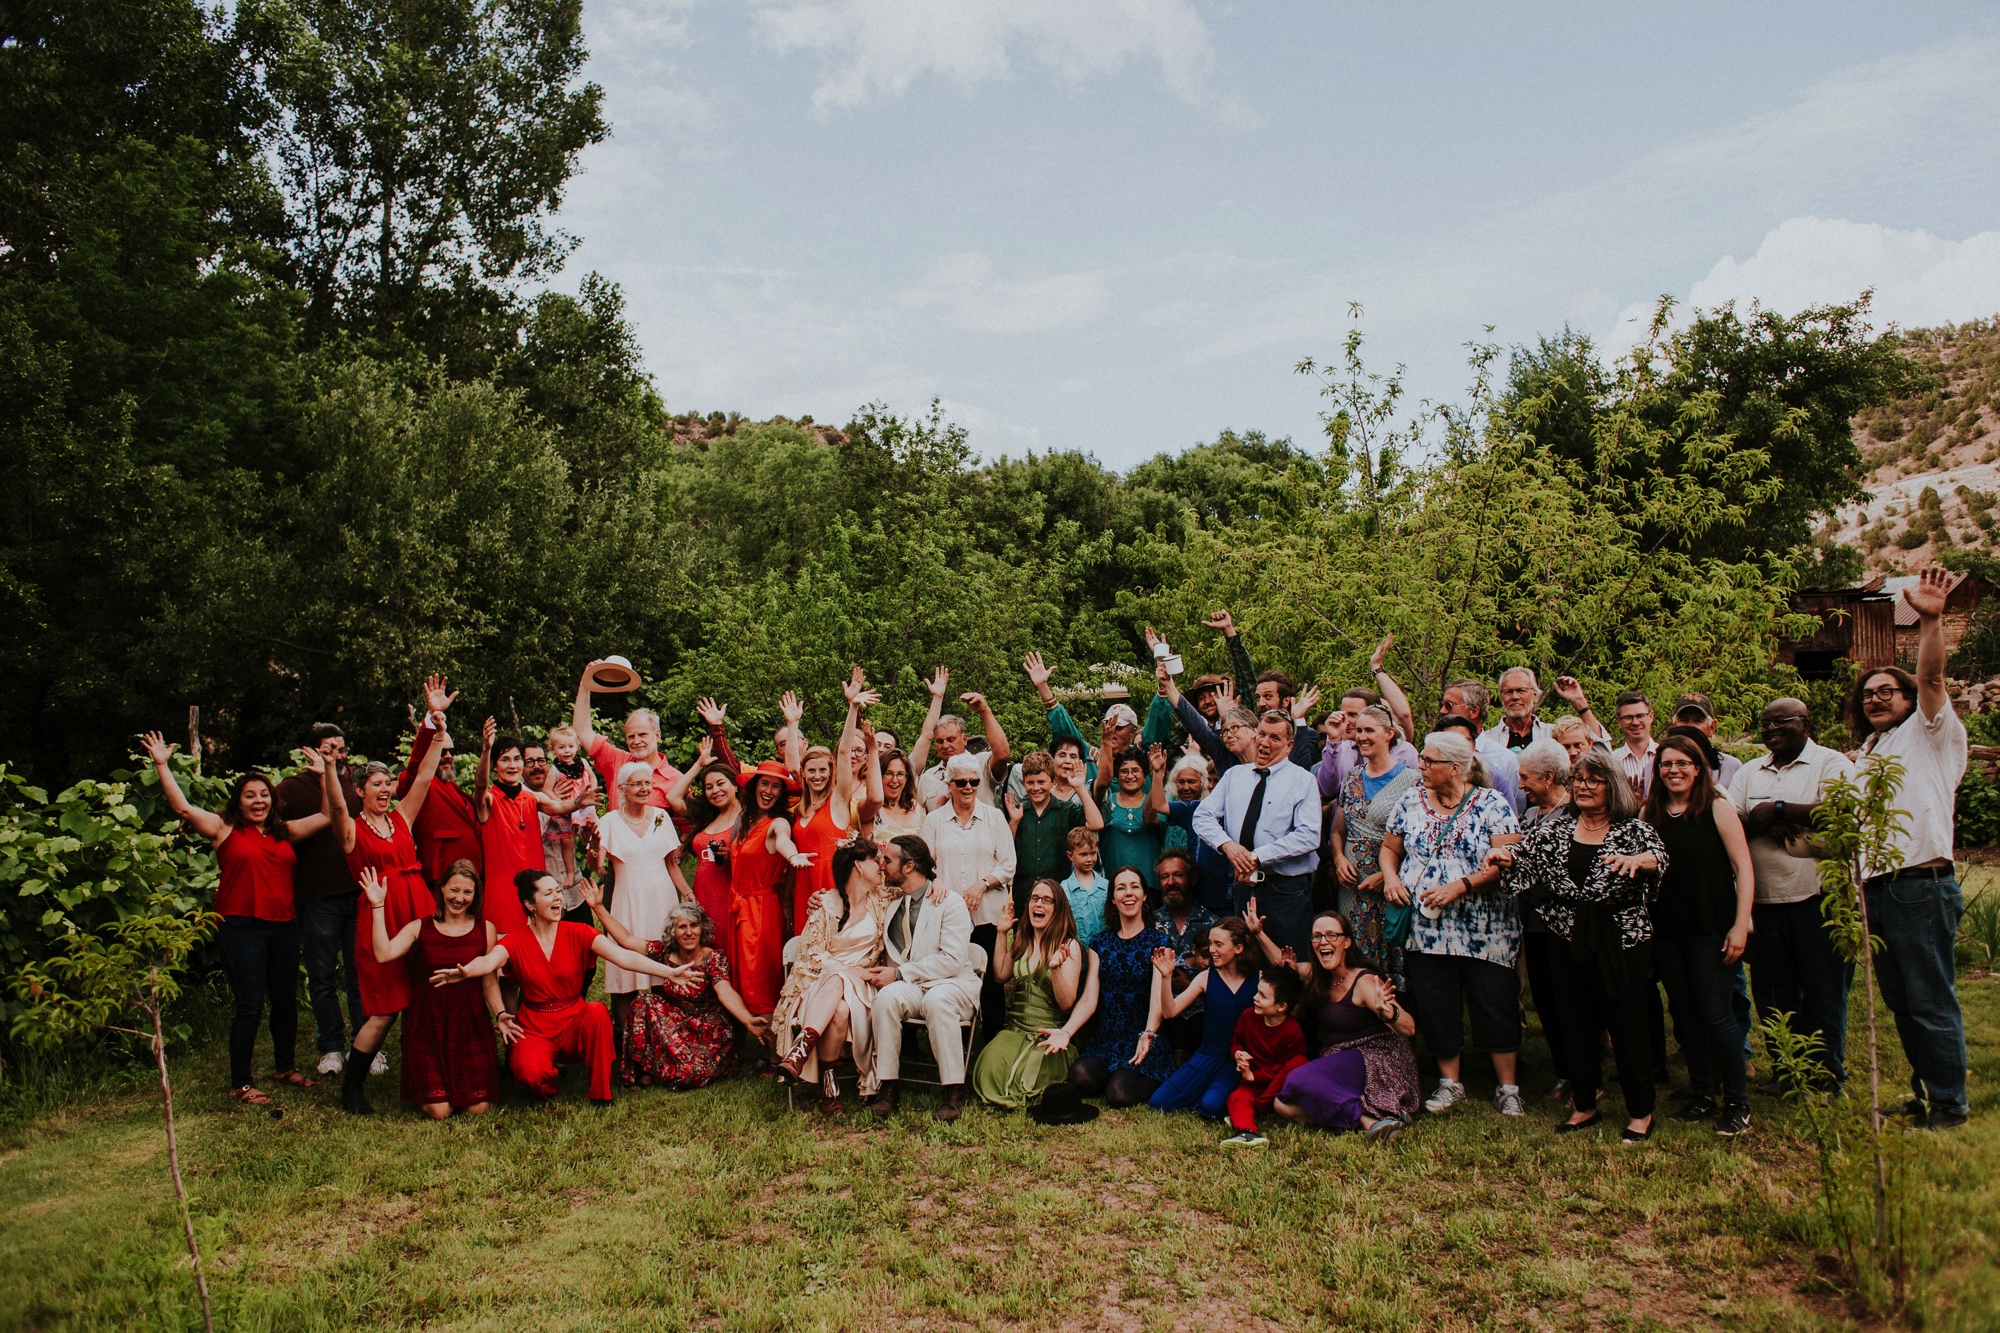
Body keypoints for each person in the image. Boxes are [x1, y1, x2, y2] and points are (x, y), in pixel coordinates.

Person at [142, 733, 330, 1104]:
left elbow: (327, 815)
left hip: (284, 924)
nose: (258, 801)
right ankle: (240, 1082)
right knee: (249, 1004)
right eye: (250, 795)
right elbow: (182, 808)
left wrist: (325, 776)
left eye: (264, 795)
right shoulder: (222, 829)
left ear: (273, 800)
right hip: (240, 925)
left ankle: (284, 1067)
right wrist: (163, 765)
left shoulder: (285, 832)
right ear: (239, 802)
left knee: (285, 1001)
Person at [1494, 749, 1668, 1143]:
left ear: (1613, 786)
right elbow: (1522, 857)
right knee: (1573, 1017)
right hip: (1566, 935)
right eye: (1579, 780)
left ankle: (1640, 1111)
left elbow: (1658, 857)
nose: (1584, 787)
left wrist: (1640, 861)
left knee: (1626, 1021)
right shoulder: (1556, 830)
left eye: (1594, 780)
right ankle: (1585, 1104)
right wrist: (1502, 856)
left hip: (1619, 937)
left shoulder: (1633, 829)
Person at [1850, 565, 1972, 1129]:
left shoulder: (1930, 730)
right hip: (1878, 890)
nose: (1876, 698)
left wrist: (1929, 621)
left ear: (1907, 694)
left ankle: (1949, 1104)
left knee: (1929, 1000)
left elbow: (1933, 679)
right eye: (1868, 694)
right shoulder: (1873, 749)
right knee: (1901, 1003)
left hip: (1920, 886)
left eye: (1885, 690)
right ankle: (1925, 1093)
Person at [438, 870, 693, 1104]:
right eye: (548, 893)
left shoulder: (579, 932)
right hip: (535, 1025)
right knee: (529, 1073)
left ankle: (600, 1093)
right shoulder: (515, 941)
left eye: (558, 891)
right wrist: (466, 971)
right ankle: (547, 1084)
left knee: (596, 1012)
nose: (557, 898)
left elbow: (624, 957)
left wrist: (669, 972)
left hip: (574, 1020)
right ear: (530, 904)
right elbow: (489, 961)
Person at [1379, 730, 1524, 1117]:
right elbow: (1390, 848)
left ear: (1456, 768)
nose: (1421, 766)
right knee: (1437, 1002)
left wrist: (1461, 886)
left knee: (1494, 1002)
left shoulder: (1490, 803)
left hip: (1485, 928)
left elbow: (1507, 858)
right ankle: (1449, 1083)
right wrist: (1391, 878)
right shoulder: (1410, 800)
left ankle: (1507, 1088)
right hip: (1427, 930)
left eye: (1429, 761)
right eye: (1422, 759)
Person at [1728, 697, 1856, 1093]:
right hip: (1764, 902)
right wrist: (1764, 821)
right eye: (1765, 724)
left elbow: (1842, 812)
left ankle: (1825, 1074)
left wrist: (1779, 809)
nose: (1770, 730)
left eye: (1780, 722)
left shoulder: (1831, 764)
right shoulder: (1750, 772)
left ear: (1805, 722)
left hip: (1818, 897)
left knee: (1823, 991)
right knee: (1773, 993)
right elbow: (1730, 822)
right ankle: (1787, 1071)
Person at [322, 727, 446, 1115]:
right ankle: (352, 1087)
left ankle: (423, 1079)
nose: (385, 789)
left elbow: (424, 777)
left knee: (426, 998)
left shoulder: (402, 818)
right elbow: (337, 808)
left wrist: (438, 735)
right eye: (377, 783)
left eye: (388, 782)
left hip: (418, 908)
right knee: (385, 1009)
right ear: (360, 790)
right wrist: (329, 768)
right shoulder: (352, 832)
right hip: (381, 915)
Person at [1644, 734, 1756, 1136]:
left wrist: (1740, 924)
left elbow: (1743, 869)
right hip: (1668, 930)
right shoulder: (1650, 812)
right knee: (1685, 1014)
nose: (1673, 770)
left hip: (1712, 928)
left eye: (1682, 763)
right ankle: (1703, 1094)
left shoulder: (1717, 807)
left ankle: (1738, 1103)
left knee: (1716, 1012)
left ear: (1699, 768)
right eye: (1666, 764)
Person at [360, 859, 502, 1118]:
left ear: (475, 894)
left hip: (470, 1024)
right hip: (428, 1023)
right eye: (454, 890)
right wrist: (377, 905)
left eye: (467, 892)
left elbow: (489, 979)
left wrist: (501, 1015)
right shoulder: (420, 927)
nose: (459, 898)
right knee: (439, 1111)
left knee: (478, 1108)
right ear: (442, 890)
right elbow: (383, 954)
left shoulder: (485, 929)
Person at [1270, 910, 1423, 1139]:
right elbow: (1282, 964)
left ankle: (1367, 1120)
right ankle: (1383, 1117)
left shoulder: (1364, 982)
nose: (1323, 941)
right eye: (1317, 936)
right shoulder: (1319, 976)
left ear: (1347, 942)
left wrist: (1389, 1013)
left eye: (1332, 935)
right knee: (1283, 1106)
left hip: (1378, 1057)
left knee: (1295, 1081)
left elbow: (1409, 1028)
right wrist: (1256, 933)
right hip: (1342, 1058)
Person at [867, 836, 983, 1121]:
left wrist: (900, 973)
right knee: (886, 998)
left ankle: (954, 1091)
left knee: (937, 1000)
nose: (881, 865)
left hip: (953, 985)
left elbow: (953, 959)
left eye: (888, 860)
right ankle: (888, 1087)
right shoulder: (893, 903)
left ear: (908, 866)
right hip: (915, 986)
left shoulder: (950, 902)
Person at [273, 721, 365, 1077]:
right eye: (329, 748)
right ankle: (330, 1046)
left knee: (360, 973)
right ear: (308, 751)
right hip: (317, 897)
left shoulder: (352, 783)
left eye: (341, 749)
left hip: (356, 891)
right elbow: (270, 830)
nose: (338, 755)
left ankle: (364, 1043)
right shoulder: (291, 789)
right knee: (322, 975)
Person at [1191, 710, 1323, 956]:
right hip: (1243, 887)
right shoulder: (1234, 776)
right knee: (1245, 961)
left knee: (1289, 962)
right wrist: (1228, 846)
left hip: (1284, 889)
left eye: (1274, 738)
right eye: (1262, 734)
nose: (1264, 742)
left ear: (1289, 745)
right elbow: (1202, 816)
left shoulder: (1302, 780)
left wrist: (1257, 856)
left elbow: (1309, 835)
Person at [774, 838, 890, 1112]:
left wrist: (939, 884)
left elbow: (917, 884)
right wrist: (848, 971)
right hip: (820, 983)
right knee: (838, 1006)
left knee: (840, 987)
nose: (882, 867)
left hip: (862, 986)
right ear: (859, 866)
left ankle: (799, 1053)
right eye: (877, 861)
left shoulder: (883, 898)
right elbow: (810, 953)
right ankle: (827, 1084)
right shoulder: (826, 904)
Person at [610, 901, 768, 1089]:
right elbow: (627, 940)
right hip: (678, 1026)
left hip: (709, 1032)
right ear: (673, 932)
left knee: (689, 1075)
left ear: (702, 929)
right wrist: (597, 907)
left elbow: (724, 990)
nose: (689, 932)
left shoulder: (713, 958)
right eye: (682, 927)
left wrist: (748, 1020)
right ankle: (644, 1071)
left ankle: (663, 1069)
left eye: (694, 925)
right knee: (644, 1002)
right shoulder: (665, 952)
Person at [972, 879, 1093, 1108]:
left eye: (1048, 900)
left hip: (1048, 1034)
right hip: (1014, 1030)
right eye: (1035, 898)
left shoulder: (1068, 945)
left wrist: (1055, 969)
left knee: (1028, 1082)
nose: (1039, 904)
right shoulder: (1022, 939)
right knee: (988, 1071)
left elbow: (1067, 1002)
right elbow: (1000, 975)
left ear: (1058, 909)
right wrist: (1001, 933)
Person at [922, 750, 1018, 1038]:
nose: (968, 788)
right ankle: (956, 1037)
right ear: (949, 784)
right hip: (949, 915)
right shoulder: (935, 821)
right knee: (953, 974)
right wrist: (938, 884)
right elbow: (928, 866)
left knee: (990, 980)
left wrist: (982, 883)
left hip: (988, 913)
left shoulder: (994, 817)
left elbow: (1008, 864)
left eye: (974, 782)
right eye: (961, 782)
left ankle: (992, 1041)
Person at [593, 761, 693, 1029]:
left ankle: (666, 1035)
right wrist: (592, 848)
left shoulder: (661, 817)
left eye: (648, 783)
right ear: (623, 789)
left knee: (665, 974)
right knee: (626, 979)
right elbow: (599, 867)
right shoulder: (609, 821)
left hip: (662, 903)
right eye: (637, 784)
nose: (644, 788)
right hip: (627, 903)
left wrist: (688, 893)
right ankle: (628, 1042)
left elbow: (671, 863)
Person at [1067, 866, 1178, 1107]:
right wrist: (1066, 1032)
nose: (1128, 893)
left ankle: (1151, 1075)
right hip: (1109, 1038)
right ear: (1113, 899)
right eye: (1121, 888)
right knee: (1080, 1077)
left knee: (1119, 1094)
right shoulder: (1100, 943)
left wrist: (1148, 1033)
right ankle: (1113, 1073)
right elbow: (1089, 999)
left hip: (1145, 1036)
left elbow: (1158, 998)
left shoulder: (1159, 941)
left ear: (1145, 896)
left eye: (1135, 887)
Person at [1328, 704, 1420, 986]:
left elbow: (1416, 843)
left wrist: (1389, 875)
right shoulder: (1352, 778)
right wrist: (1339, 860)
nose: (1362, 737)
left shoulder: (1412, 782)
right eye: (1358, 731)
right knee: (1354, 949)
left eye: (1370, 730)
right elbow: (1337, 831)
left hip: (1390, 883)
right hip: (1351, 886)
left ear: (1389, 733)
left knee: (1390, 944)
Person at [784, 672, 877, 927]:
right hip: (803, 886)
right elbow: (791, 763)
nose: (817, 776)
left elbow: (845, 751)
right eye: (811, 770)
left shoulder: (837, 802)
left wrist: (853, 707)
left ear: (831, 772)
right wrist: (792, 724)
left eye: (823, 770)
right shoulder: (800, 808)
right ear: (804, 773)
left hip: (831, 883)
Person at [474, 718, 582, 936]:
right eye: (505, 760)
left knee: (540, 949)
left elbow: (559, 807)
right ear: (495, 766)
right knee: (506, 956)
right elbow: (480, 785)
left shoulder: (532, 798)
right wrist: (486, 748)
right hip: (503, 894)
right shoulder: (489, 801)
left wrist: (581, 802)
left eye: (517, 759)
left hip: (535, 891)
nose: (513, 765)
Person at [1146, 916, 1260, 1118]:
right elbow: (1170, 1011)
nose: (1211, 950)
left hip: (1239, 1058)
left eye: (1218, 944)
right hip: (1207, 1055)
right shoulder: (1206, 977)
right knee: (1159, 1101)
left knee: (1211, 1107)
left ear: (1239, 948)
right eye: (1210, 943)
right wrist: (1166, 977)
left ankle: (1222, 1094)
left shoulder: (1258, 979)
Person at [1513, 739, 1576, 1103]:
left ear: (1549, 777)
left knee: (1570, 1001)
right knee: (1548, 1002)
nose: (1520, 785)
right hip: (1532, 922)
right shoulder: (1531, 814)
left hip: (1563, 924)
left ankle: (1585, 1075)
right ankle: (1564, 1072)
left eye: (1526, 778)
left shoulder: (1573, 815)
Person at [729, 760, 813, 1017]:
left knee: (759, 982)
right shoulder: (747, 821)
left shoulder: (778, 823)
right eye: (764, 783)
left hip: (759, 912)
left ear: (782, 794)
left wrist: (793, 856)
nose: (769, 790)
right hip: (738, 907)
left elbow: (783, 839)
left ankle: (774, 1054)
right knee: (743, 977)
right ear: (755, 786)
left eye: (776, 787)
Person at [396, 684, 482, 887]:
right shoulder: (419, 784)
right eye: (442, 752)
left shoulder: (451, 786)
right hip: (440, 876)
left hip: (472, 877)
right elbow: (417, 765)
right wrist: (432, 719)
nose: (448, 757)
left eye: (451, 751)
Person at [1219, 966, 1309, 1147]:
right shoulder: (1248, 1016)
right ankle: (1247, 1132)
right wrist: (1237, 1054)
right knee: (1236, 1098)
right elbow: (1236, 1040)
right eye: (1257, 992)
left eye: (1263, 996)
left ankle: (1257, 1109)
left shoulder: (1292, 1030)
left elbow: (1287, 1067)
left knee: (1300, 1062)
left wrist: (1257, 1076)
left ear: (1281, 1006)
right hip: (1251, 1083)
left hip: (1277, 1085)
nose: (1255, 998)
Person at [666, 751, 742, 963]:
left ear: (735, 785)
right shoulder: (708, 816)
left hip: (730, 903)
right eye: (709, 787)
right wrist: (699, 764)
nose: (715, 791)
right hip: (702, 903)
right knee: (704, 959)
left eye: (720, 784)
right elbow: (673, 797)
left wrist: (733, 856)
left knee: (730, 959)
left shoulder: (746, 819)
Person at [911, 667, 1013, 809]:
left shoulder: (981, 763)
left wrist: (985, 711)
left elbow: (1002, 754)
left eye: (951, 739)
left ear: (965, 739)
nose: (945, 745)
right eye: (940, 741)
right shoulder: (927, 778)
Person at [1151, 849, 1218, 1059]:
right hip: (1161, 1017)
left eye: (1178, 875)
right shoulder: (1149, 923)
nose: (1171, 882)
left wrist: (1190, 987)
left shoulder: (1213, 925)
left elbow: (1226, 982)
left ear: (1193, 878)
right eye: (1165, 877)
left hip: (1204, 1018)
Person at [1005, 750, 1100, 895]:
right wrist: (1014, 822)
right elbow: (1005, 851)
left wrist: (1080, 788)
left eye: (1041, 782)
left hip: (1058, 893)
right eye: (1030, 783)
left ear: (1053, 781)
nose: (1036, 788)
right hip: (1024, 896)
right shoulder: (1018, 811)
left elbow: (1096, 824)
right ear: (1024, 783)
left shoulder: (1066, 810)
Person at [1482, 668, 1608, 752]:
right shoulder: (1488, 739)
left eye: (1521, 691)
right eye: (1508, 692)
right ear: (1502, 698)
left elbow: (1600, 750)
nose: (1515, 697)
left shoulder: (1554, 734)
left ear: (1535, 696)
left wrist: (1579, 702)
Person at [1094, 745, 1167, 891]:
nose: (1130, 776)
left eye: (1135, 771)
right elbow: (1101, 784)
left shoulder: (1158, 804)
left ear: (1145, 774)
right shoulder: (1107, 803)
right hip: (1111, 884)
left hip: (1149, 886)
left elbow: (1150, 819)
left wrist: (1157, 774)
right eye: (1124, 771)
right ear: (1116, 775)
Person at [1669, 693, 1741, 787]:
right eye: (1684, 720)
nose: (1690, 726)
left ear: (1712, 727)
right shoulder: (1658, 766)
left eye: (1698, 721)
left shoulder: (1731, 767)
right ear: (1673, 725)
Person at [1610, 691, 1659, 801]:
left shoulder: (1665, 756)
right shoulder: (1611, 761)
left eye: (1640, 716)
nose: (1635, 722)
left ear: (1651, 716)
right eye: (1628, 717)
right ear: (1618, 720)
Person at [1058, 827, 1107, 930]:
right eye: (1083, 855)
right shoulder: (1064, 889)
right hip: (1077, 945)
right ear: (1070, 855)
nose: (1089, 859)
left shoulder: (1106, 886)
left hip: (1104, 945)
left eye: (1093, 853)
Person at [872, 748, 927, 839]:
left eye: (900, 774)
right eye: (889, 773)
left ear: (907, 777)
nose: (894, 780)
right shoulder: (871, 809)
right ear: (879, 775)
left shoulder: (917, 809)